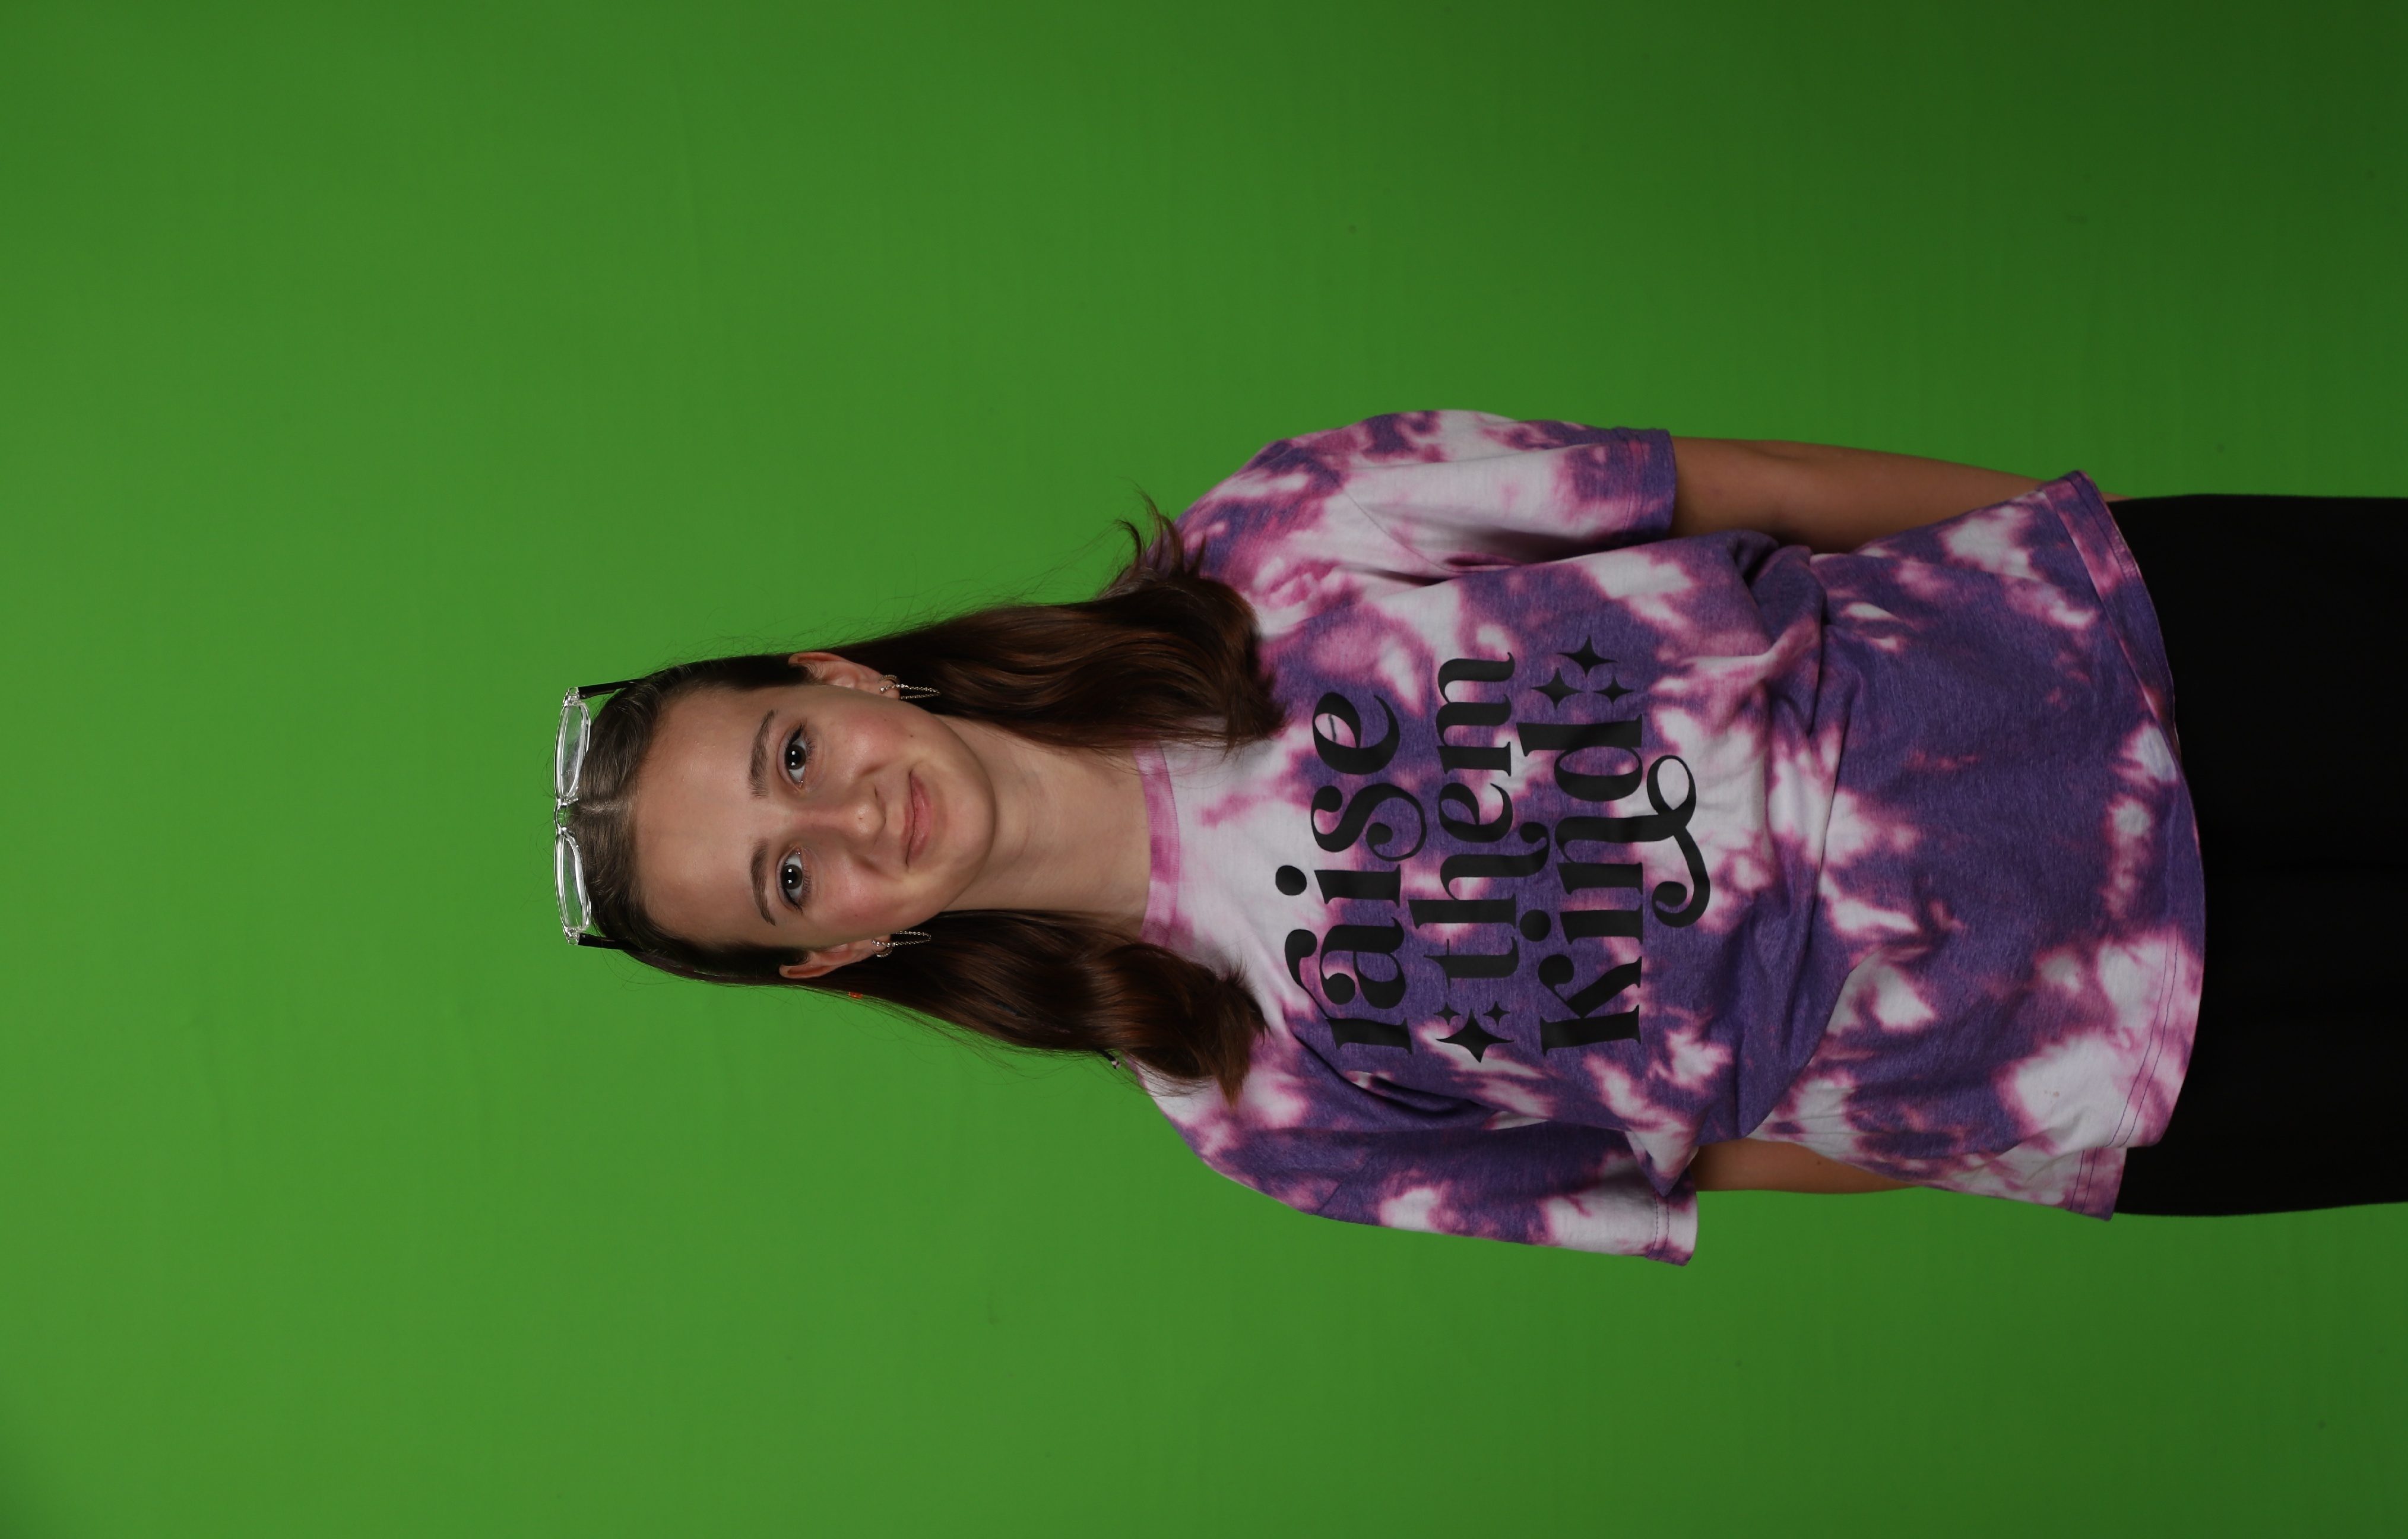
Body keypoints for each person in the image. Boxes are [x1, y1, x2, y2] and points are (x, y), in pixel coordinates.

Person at [550, 413, 2406, 1261]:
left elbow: (1740, 487)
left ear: (833, 678)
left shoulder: (1276, 537)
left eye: (793, 750)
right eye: (791, 875)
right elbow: (1707, 1162)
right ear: (831, 948)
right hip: (2125, 1051)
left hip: (2122, 657)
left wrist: (2071, 551)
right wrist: (2011, 1122)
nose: (849, 816)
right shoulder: (1250, 1107)